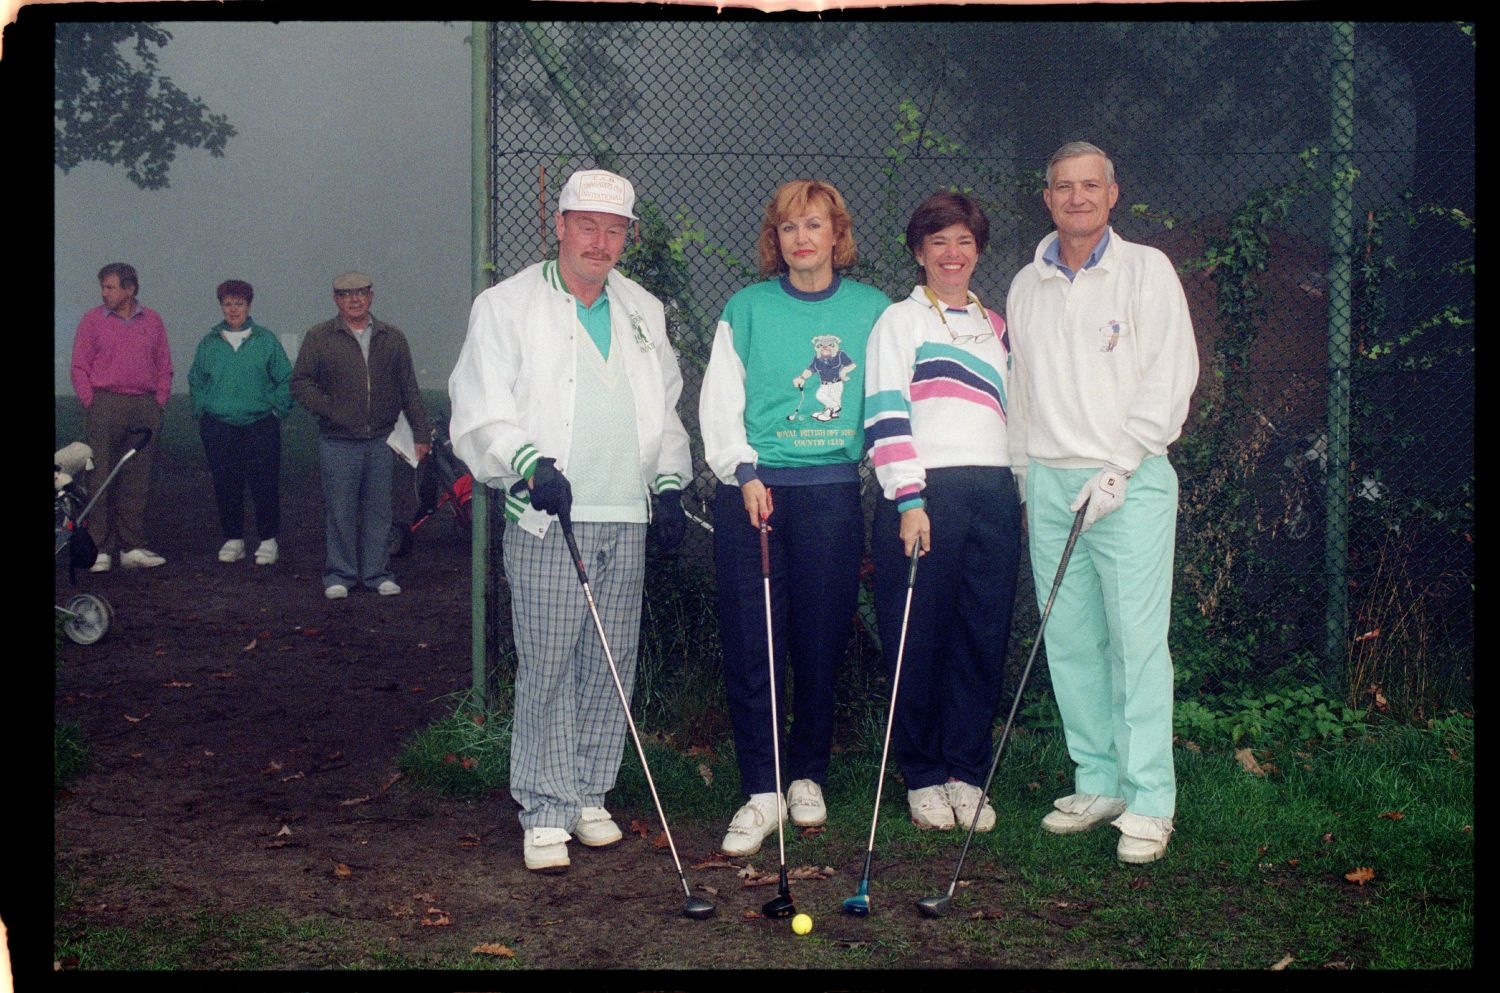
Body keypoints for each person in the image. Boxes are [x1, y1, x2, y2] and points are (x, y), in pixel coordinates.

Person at [448, 168, 692, 873]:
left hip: (626, 511)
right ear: (558, 225)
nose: (600, 241)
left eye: (614, 229)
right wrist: (529, 464)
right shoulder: (506, 305)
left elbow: (664, 410)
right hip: (548, 515)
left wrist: (670, 487)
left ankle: (588, 791)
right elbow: (481, 408)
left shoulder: (644, 307)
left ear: (628, 238)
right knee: (550, 659)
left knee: (609, 663)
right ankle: (544, 804)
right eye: (586, 225)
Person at [1005, 141, 1199, 863]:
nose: (1077, 198)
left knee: (1137, 642)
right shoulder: (1027, 284)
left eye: (1091, 186)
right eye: (1064, 187)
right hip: (1053, 483)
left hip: (1130, 479)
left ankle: (1150, 798)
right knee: (1072, 638)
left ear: (1113, 194)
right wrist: (1026, 475)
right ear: (1047, 195)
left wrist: (1120, 465)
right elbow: (1021, 389)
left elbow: (1172, 373)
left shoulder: (1145, 270)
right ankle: (1100, 780)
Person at [700, 179, 890, 856]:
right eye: (788, 229)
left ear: (838, 233)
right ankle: (760, 787)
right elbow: (721, 403)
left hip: (831, 492)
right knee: (755, 641)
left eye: (814, 225)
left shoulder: (875, 311)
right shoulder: (746, 308)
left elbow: (892, 403)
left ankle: (808, 773)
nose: (801, 239)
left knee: (820, 636)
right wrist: (743, 469)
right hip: (754, 491)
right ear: (774, 240)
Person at [863, 191, 1022, 834]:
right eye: (938, 243)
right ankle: (923, 775)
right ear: (919, 252)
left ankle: (967, 774)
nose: (952, 255)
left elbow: (1022, 417)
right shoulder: (900, 322)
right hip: (925, 498)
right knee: (917, 641)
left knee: (980, 637)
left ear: (977, 249)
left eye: (963, 242)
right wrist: (909, 497)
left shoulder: (1000, 326)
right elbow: (884, 414)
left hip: (994, 495)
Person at [291, 271, 431, 599]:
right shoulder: (319, 337)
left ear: (371, 296)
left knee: (380, 510)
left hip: (382, 441)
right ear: (335, 299)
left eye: (361, 293)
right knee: (340, 509)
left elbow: (408, 387)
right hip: (338, 441)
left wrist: (421, 431)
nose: (354, 300)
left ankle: (377, 573)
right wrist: (328, 408)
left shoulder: (392, 338)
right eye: (346, 294)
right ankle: (339, 574)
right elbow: (300, 382)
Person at [69, 262, 173, 571]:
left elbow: (163, 365)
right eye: (103, 287)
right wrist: (91, 401)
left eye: (111, 287)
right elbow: (79, 365)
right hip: (105, 403)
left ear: (130, 289)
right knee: (99, 475)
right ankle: (100, 548)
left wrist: (159, 403)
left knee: (137, 479)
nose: (105, 293)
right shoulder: (92, 320)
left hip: (143, 404)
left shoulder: (152, 320)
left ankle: (132, 547)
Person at [187, 279, 293, 566]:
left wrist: (276, 411)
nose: (233, 310)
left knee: (264, 483)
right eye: (228, 304)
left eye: (239, 304)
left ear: (249, 306)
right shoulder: (209, 343)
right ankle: (233, 539)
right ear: (221, 306)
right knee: (226, 483)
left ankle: (268, 540)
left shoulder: (266, 340)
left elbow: (285, 379)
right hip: (219, 425)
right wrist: (203, 409)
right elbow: (195, 379)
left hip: (260, 424)